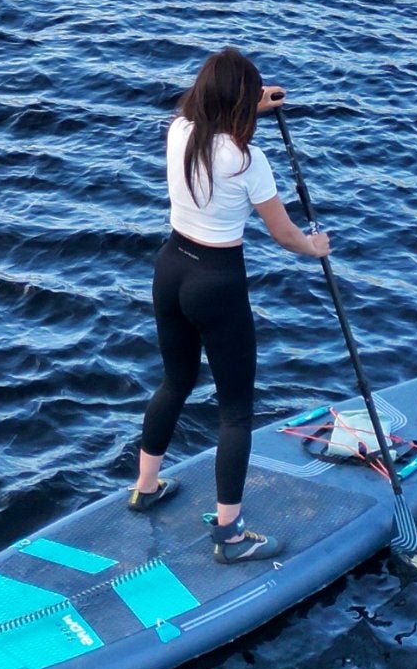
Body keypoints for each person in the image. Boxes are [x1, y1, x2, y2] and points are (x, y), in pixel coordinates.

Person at [131, 46, 331, 564]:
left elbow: (199, 110)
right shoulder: (247, 160)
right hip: (216, 282)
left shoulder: (179, 131)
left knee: (175, 382)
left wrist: (253, 104)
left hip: (170, 267)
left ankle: (145, 487)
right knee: (235, 413)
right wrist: (315, 249)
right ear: (237, 103)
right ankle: (231, 537)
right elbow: (285, 234)